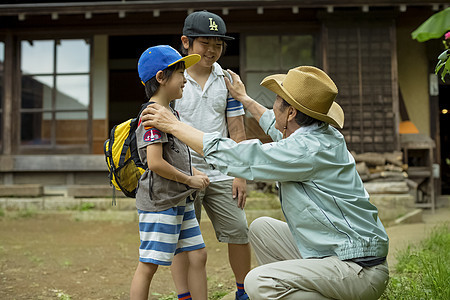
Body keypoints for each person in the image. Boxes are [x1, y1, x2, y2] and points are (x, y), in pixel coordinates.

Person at [140, 65, 390, 300]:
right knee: (261, 228)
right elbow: (275, 124)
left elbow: (239, 156)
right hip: (335, 252)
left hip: (358, 269)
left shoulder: (306, 150)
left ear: (291, 112)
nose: (273, 108)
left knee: (258, 282)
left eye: (277, 103)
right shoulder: (320, 134)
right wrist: (245, 99)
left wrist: (174, 125)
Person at [172, 10, 251, 300]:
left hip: (222, 171)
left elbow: (237, 131)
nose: (212, 50)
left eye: (218, 44)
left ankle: (243, 291)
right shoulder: (173, 77)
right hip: (185, 173)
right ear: (186, 42)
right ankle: (185, 295)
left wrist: (240, 173)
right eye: (204, 43)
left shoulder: (228, 80)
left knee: (240, 231)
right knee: (183, 240)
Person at [129, 45, 210, 300]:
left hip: (180, 199)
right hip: (160, 203)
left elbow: (172, 155)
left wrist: (193, 171)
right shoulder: (151, 115)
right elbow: (154, 163)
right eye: (180, 74)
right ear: (161, 77)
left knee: (198, 254)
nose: (185, 80)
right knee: (150, 264)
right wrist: (190, 179)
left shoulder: (171, 113)